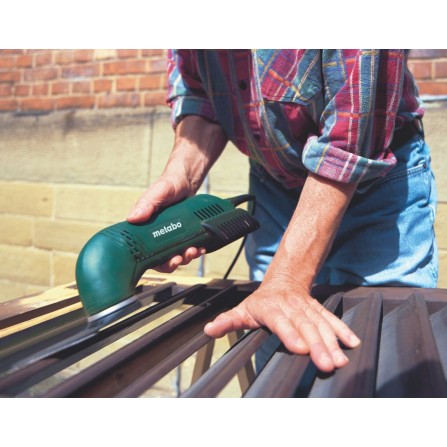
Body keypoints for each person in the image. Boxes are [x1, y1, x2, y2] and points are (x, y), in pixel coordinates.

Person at [127, 50, 438, 373]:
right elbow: (199, 96)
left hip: (379, 178)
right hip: (274, 181)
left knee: (379, 348)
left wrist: (286, 280)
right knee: (278, 344)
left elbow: (352, 127)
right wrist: (181, 175)